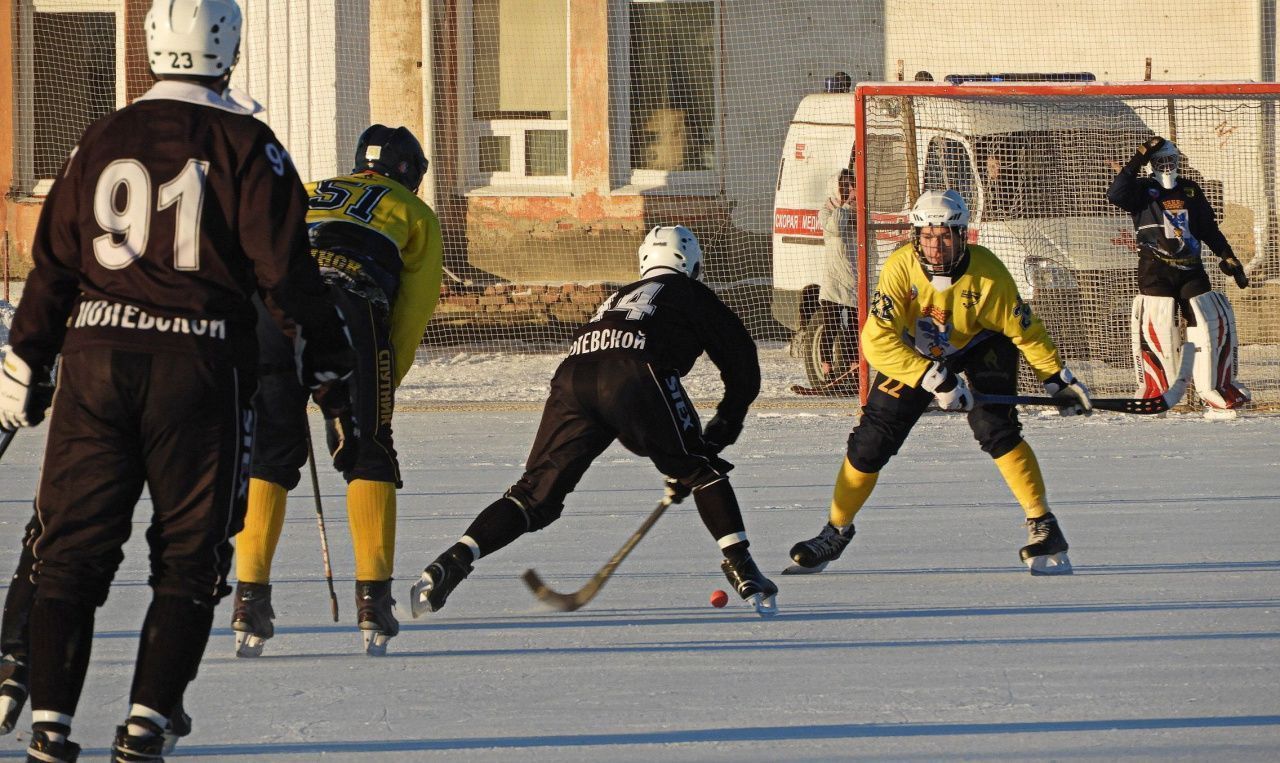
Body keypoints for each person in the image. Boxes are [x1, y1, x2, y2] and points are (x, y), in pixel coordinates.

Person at [0, 1, 355, 760]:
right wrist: (329, 367)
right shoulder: (249, 143)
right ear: (230, 50)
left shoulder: (102, 135)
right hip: (197, 370)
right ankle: (145, 726)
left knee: (69, 555)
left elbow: (53, 261)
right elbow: (287, 275)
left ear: (152, 45)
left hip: (96, 363)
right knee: (190, 560)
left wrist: (26, 354)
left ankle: (49, 728)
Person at [405, 226, 778, 616]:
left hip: (573, 377)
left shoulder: (618, 296)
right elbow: (742, 364)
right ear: (693, 264)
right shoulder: (692, 293)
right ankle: (745, 571)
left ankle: (455, 559)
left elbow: (623, 415)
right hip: (634, 372)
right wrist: (719, 430)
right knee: (702, 471)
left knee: (534, 496)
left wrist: (670, 453)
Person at [786, 190, 1092, 577]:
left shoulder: (990, 274)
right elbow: (875, 340)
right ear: (916, 236)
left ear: (962, 235)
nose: (935, 246)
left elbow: (1026, 333)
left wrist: (1057, 380)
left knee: (995, 428)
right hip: (916, 350)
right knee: (871, 441)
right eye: (928, 235)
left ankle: (1044, 525)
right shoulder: (900, 267)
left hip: (980, 342)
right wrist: (934, 378)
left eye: (945, 236)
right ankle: (836, 531)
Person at [230, 124, 443, 657]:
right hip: (349, 304)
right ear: (410, 173)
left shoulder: (311, 189)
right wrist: (382, 385)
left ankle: (249, 599)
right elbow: (412, 312)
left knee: (267, 455)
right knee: (367, 451)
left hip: (271, 310)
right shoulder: (415, 213)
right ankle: (373, 601)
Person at [1108, 136, 1251, 419]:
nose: (1166, 166)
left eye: (1170, 160)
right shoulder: (1141, 190)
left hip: (1190, 268)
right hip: (1155, 269)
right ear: (1151, 164)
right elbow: (1115, 194)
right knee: (1158, 325)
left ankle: (1215, 391)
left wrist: (1228, 257)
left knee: (1209, 321)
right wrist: (1139, 156)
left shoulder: (1190, 189)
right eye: (1160, 161)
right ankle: (1156, 393)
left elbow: (1208, 229)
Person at [812, 168, 860, 394]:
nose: (849, 190)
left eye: (852, 185)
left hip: (854, 277)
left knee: (853, 328)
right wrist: (847, 206)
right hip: (833, 278)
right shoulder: (827, 211)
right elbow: (836, 229)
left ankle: (854, 372)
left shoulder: (859, 210)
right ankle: (827, 371)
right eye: (845, 186)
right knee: (831, 325)